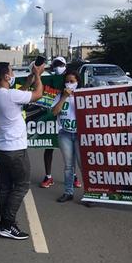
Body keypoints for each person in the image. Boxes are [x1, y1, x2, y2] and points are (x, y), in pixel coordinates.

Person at [0, 61, 45, 240]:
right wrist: (38, 75)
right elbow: (38, 94)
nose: (12, 75)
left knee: (5, 186)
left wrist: (29, 79)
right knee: (21, 185)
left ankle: (5, 221)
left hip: (1, 148)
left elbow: (20, 94)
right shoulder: (10, 96)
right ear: (5, 76)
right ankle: (7, 224)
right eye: (11, 72)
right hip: (15, 149)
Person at [37, 57, 81, 189]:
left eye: (60, 64)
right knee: (49, 148)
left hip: (74, 129)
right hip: (56, 124)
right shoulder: (48, 79)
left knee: (78, 159)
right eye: (55, 64)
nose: (69, 84)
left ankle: (75, 178)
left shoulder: (82, 93)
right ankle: (49, 177)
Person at [51, 71, 82, 203]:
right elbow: (54, 112)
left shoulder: (83, 95)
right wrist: (64, 97)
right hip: (65, 134)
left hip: (81, 135)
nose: (69, 84)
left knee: (83, 165)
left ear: (78, 82)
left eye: (72, 81)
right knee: (69, 166)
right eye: (67, 81)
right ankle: (68, 192)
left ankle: (91, 193)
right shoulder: (59, 96)